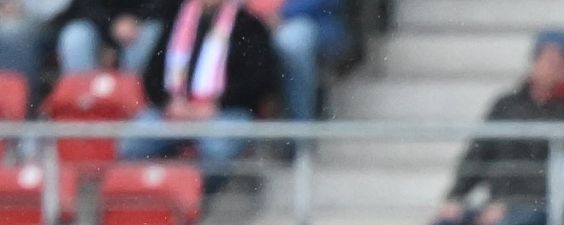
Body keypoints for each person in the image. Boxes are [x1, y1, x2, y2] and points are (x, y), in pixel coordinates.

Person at [433, 30, 564, 225]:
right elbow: (479, 153)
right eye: (547, 60)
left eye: (558, 62)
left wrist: (511, 204)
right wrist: (455, 198)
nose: (551, 68)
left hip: (541, 207)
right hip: (498, 203)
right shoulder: (507, 105)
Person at [121, 0, 281, 185]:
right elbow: (153, 75)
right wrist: (168, 103)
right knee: (133, 144)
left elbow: (257, 82)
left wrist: (217, 105)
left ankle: (198, 197)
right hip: (174, 109)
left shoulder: (250, 26)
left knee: (216, 151)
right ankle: (155, 194)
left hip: (225, 112)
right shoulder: (176, 19)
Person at [251, 0, 349, 121]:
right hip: (252, 19)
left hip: (304, 20)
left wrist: (281, 13)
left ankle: (301, 123)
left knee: (292, 45)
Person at [53, 0, 166, 77]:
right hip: (100, 26)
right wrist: (109, 32)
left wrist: (135, 19)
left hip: (141, 23)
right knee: (75, 35)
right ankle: (82, 97)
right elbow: (84, 6)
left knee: (148, 34)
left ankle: (130, 96)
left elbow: (163, 5)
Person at [0, 0, 64, 82]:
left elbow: (53, 11)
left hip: (51, 22)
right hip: (12, 19)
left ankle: (20, 87)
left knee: (12, 32)